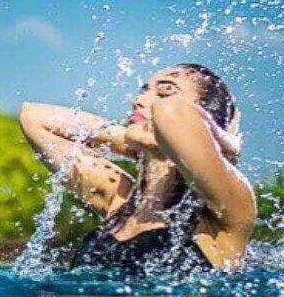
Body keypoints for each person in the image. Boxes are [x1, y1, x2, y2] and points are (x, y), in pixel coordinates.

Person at [19, 63, 256, 273]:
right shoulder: (119, 199)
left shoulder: (227, 206)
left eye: (166, 91)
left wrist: (222, 141)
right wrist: (131, 141)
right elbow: (34, 117)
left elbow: (172, 113)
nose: (139, 100)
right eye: (144, 90)